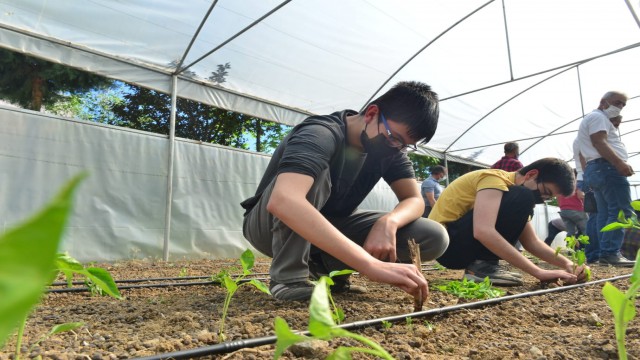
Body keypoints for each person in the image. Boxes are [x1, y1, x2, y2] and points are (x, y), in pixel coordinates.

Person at [241, 81, 449, 301]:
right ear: (371, 113)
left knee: (432, 235)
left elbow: (413, 199)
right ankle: (288, 278)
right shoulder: (320, 133)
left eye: (405, 145)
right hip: (268, 226)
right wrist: (369, 265)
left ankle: (324, 269)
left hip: (327, 226)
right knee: (315, 176)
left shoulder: (392, 152)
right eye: (394, 137)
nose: (397, 148)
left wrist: (389, 223)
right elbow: (284, 200)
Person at [430, 158, 589, 286]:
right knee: (523, 196)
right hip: (446, 246)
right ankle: (482, 267)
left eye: (548, 198)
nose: (542, 199)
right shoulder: (495, 179)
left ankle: (483, 266)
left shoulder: (514, 198)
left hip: (458, 246)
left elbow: (532, 242)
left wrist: (568, 264)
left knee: (523, 197)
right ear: (531, 175)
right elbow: (483, 230)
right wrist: (538, 272)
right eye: (545, 192)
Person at [577, 91, 635, 267]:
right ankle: (610, 253)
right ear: (603, 101)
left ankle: (605, 253)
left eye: (623, 105)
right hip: (607, 168)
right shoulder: (598, 117)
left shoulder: (593, 118)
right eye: (617, 103)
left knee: (605, 212)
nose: (619, 108)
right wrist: (619, 163)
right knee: (621, 211)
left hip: (597, 168)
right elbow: (599, 142)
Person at [557, 170, 587, 238]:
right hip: (576, 209)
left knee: (570, 233)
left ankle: (570, 248)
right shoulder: (576, 184)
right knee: (587, 230)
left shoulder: (561, 186)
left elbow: (557, 197)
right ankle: (591, 248)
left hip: (563, 211)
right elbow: (581, 196)